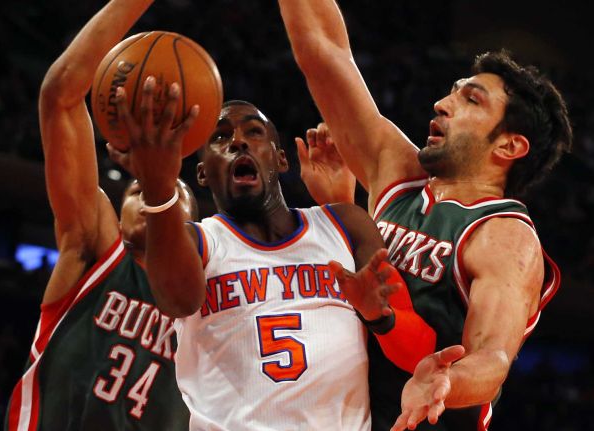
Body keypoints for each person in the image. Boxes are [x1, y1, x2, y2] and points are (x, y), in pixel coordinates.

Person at [278, 1, 572, 430]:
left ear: (509, 146)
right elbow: (324, 52)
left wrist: (445, 382)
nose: (440, 104)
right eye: (451, 91)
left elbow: (493, 357)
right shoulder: (398, 171)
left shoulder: (505, 236)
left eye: (470, 99)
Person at [112, 72, 437, 428]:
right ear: (203, 173)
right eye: (220, 137)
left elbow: (419, 352)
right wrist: (159, 191)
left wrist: (380, 317)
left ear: (281, 160)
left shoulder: (346, 224)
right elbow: (177, 302)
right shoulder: (197, 241)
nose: (238, 141)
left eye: (253, 131)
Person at [5, 1, 204, 430]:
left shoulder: (210, 310)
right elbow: (59, 97)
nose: (147, 198)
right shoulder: (93, 247)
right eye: (137, 190)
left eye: (169, 196)